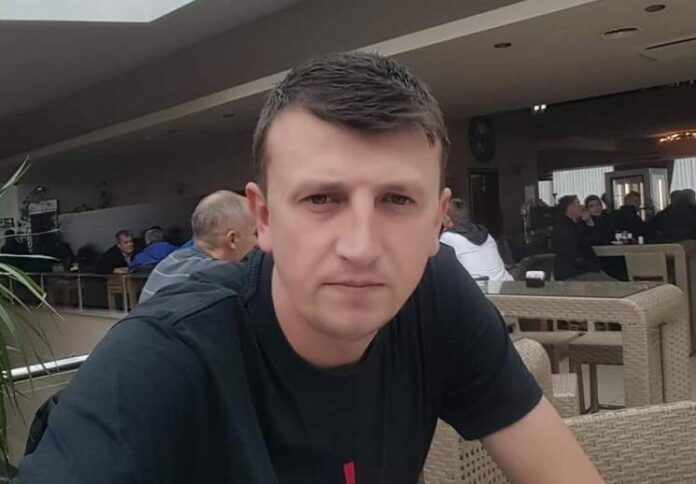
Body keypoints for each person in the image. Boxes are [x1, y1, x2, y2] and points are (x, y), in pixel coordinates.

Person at [15, 53, 602, 483]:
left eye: (397, 200)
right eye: (322, 198)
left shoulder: (435, 296)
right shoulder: (167, 355)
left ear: (436, 222)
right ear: (263, 220)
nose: (361, 246)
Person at [139, 190, 257, 303]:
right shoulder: (224, 277)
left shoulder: (168, 262)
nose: (260, 242)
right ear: (232, 239)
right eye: (256, 233)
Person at [439, 198, 512, 281]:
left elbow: (440, 267)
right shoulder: (486, 234)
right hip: (506, 283)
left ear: (447, 219)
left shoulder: (448, 237)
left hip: (479, 286)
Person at [553, 195, 614, 281]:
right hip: (575, 272)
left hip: (580, 269)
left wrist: (589, 223)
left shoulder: (574, 225)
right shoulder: (566, 229)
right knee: (612, 284)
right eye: (578, 204)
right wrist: (593, 266)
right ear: (570, 208)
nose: (581, 207)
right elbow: (574, 255)